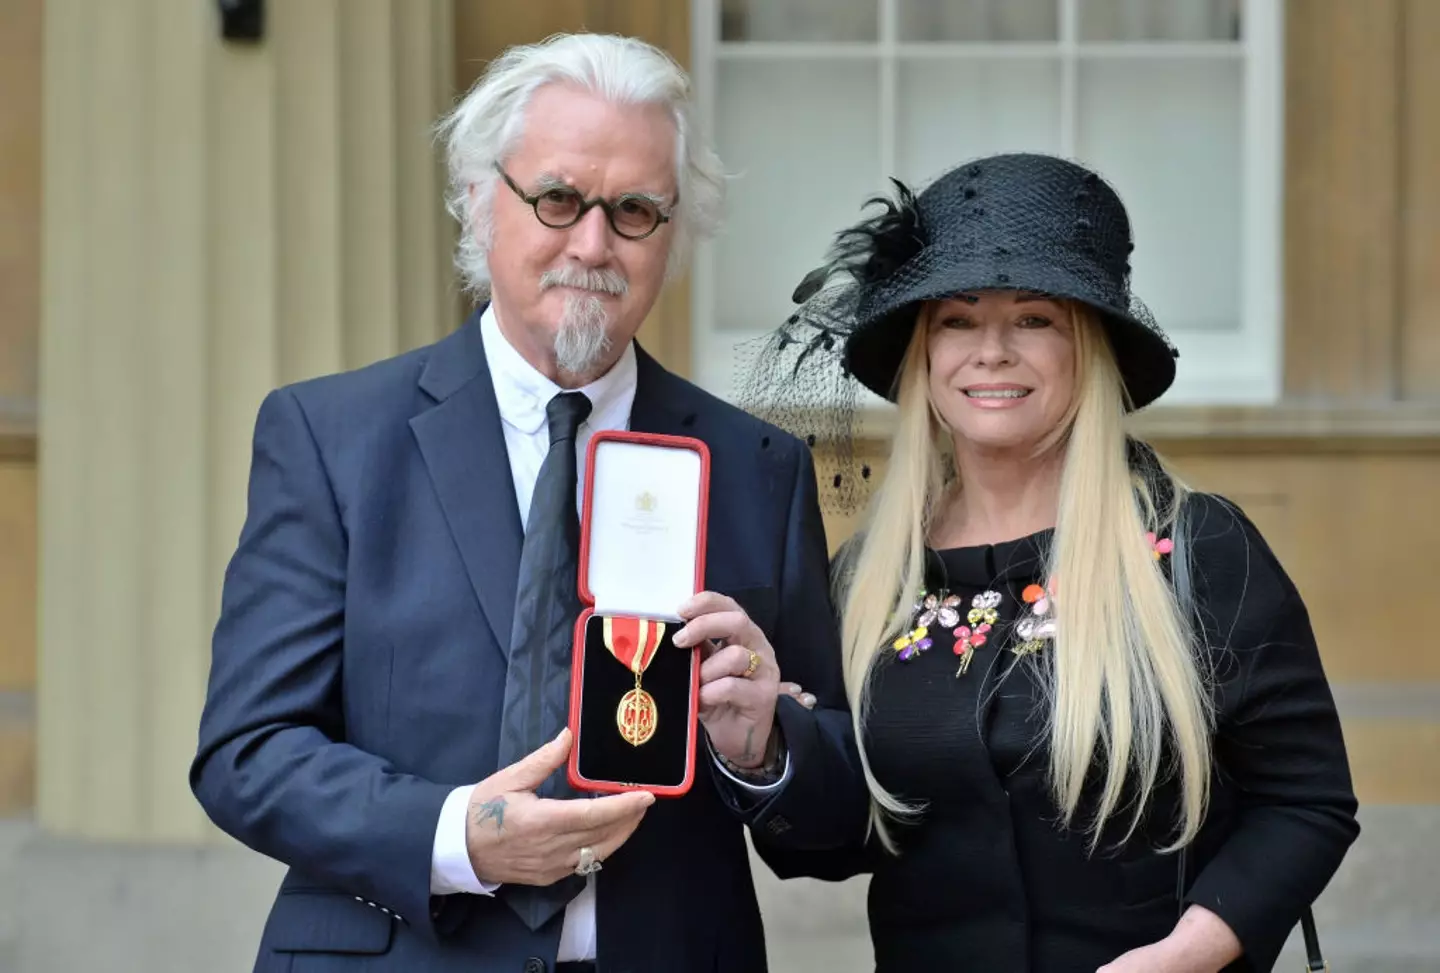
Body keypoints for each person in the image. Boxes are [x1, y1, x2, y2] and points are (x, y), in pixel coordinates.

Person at [190, 33, 862, 973]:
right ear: (478, 199)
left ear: (672, 233)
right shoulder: (331, 437)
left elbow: (833, 835)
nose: (592, 243)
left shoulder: (756, 467)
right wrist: (456, 834)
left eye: (634, 211)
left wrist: (763, 747)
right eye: (557, 199)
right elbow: (246, 752)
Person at [745, 153, 1359, 972]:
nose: (991, 351)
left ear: (1088, 348)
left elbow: (1305, 800)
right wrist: (759, 747)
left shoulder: (1197, 550)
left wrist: (1187, 954)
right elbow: (837, 837)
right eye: (957, 320)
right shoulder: (868, 581)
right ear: (923, 354)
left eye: (1033, 318)